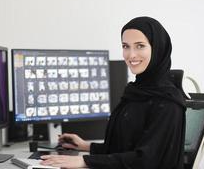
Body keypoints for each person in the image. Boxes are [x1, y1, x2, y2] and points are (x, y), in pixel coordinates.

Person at [41, 16, 186, 169]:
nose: (131, 55)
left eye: (140, 46)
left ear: (157, 48)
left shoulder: (168, 102)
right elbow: (125, 149)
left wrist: (85, 161)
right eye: (125, 46)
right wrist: (87, 147)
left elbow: (146, 160)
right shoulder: (135, 92)